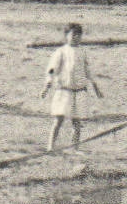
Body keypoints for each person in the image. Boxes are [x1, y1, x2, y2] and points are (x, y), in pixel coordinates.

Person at [41, 23, 102, 152]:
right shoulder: (61, 52)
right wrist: (47, 85)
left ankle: (75, 148)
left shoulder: (83, 52)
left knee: (77, 123)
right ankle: (50, 147)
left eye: (78, 35)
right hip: (64, 91)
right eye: (73, 34)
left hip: (79, 91)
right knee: (58, 120)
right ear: (66, 36)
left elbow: (88, 70)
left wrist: (96, 86)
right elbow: (52, 69)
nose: (76, 37)